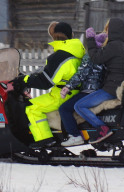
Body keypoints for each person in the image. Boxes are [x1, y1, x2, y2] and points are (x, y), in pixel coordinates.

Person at [11, 21, 85, 149]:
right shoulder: (77, 50)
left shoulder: (61, 56)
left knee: (32, 108)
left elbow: (45, 81)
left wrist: (24, 80)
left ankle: (44, 139)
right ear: (71, 35)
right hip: (74, 92)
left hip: (62, 95)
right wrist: (28, 76)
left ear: (55, 36)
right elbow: (47, 71)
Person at [74, 18, 124, 144]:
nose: (106, 32)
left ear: (113, 31)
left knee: (79, 106)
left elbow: (96, 58)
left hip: (111, 89)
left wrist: (90, 40)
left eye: (108, 29)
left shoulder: (113, 46)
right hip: (119, 86)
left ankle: (101, 128)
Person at [59, 32, 107, 147]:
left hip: (88, 91)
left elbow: (81, 74)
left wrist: (68, 87)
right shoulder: (104, 55)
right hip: (99, 91)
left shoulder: (90, 55)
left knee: (64, 109)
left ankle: (75, 136)